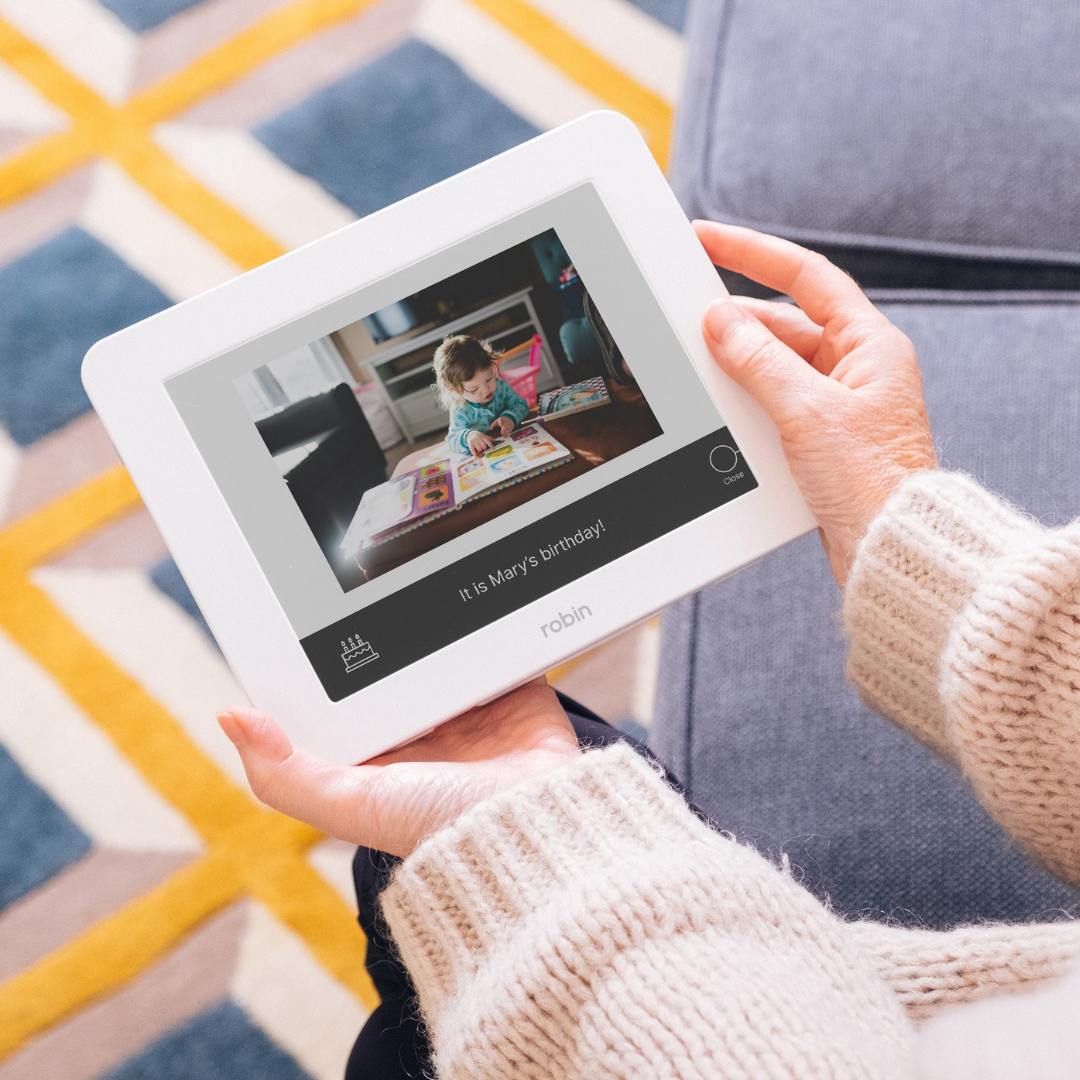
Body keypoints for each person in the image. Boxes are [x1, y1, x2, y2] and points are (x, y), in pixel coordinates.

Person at [218, 223, 1080, 1078]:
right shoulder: (457, 414)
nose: (484, 383)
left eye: (486, 373)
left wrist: (550, 846)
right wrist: (903, 517)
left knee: (400, 956)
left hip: (760, 1027)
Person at [433, 333, 530, 458]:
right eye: (473, 389)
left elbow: (521, 405)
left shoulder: (501, 387)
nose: (486, 390)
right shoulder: (460, 408)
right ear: (456, 390)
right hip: (486, 455)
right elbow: (452, 440)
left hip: (514, 444)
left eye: (489, 379)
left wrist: (510, 417)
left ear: (492, 367)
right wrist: (468, 436)